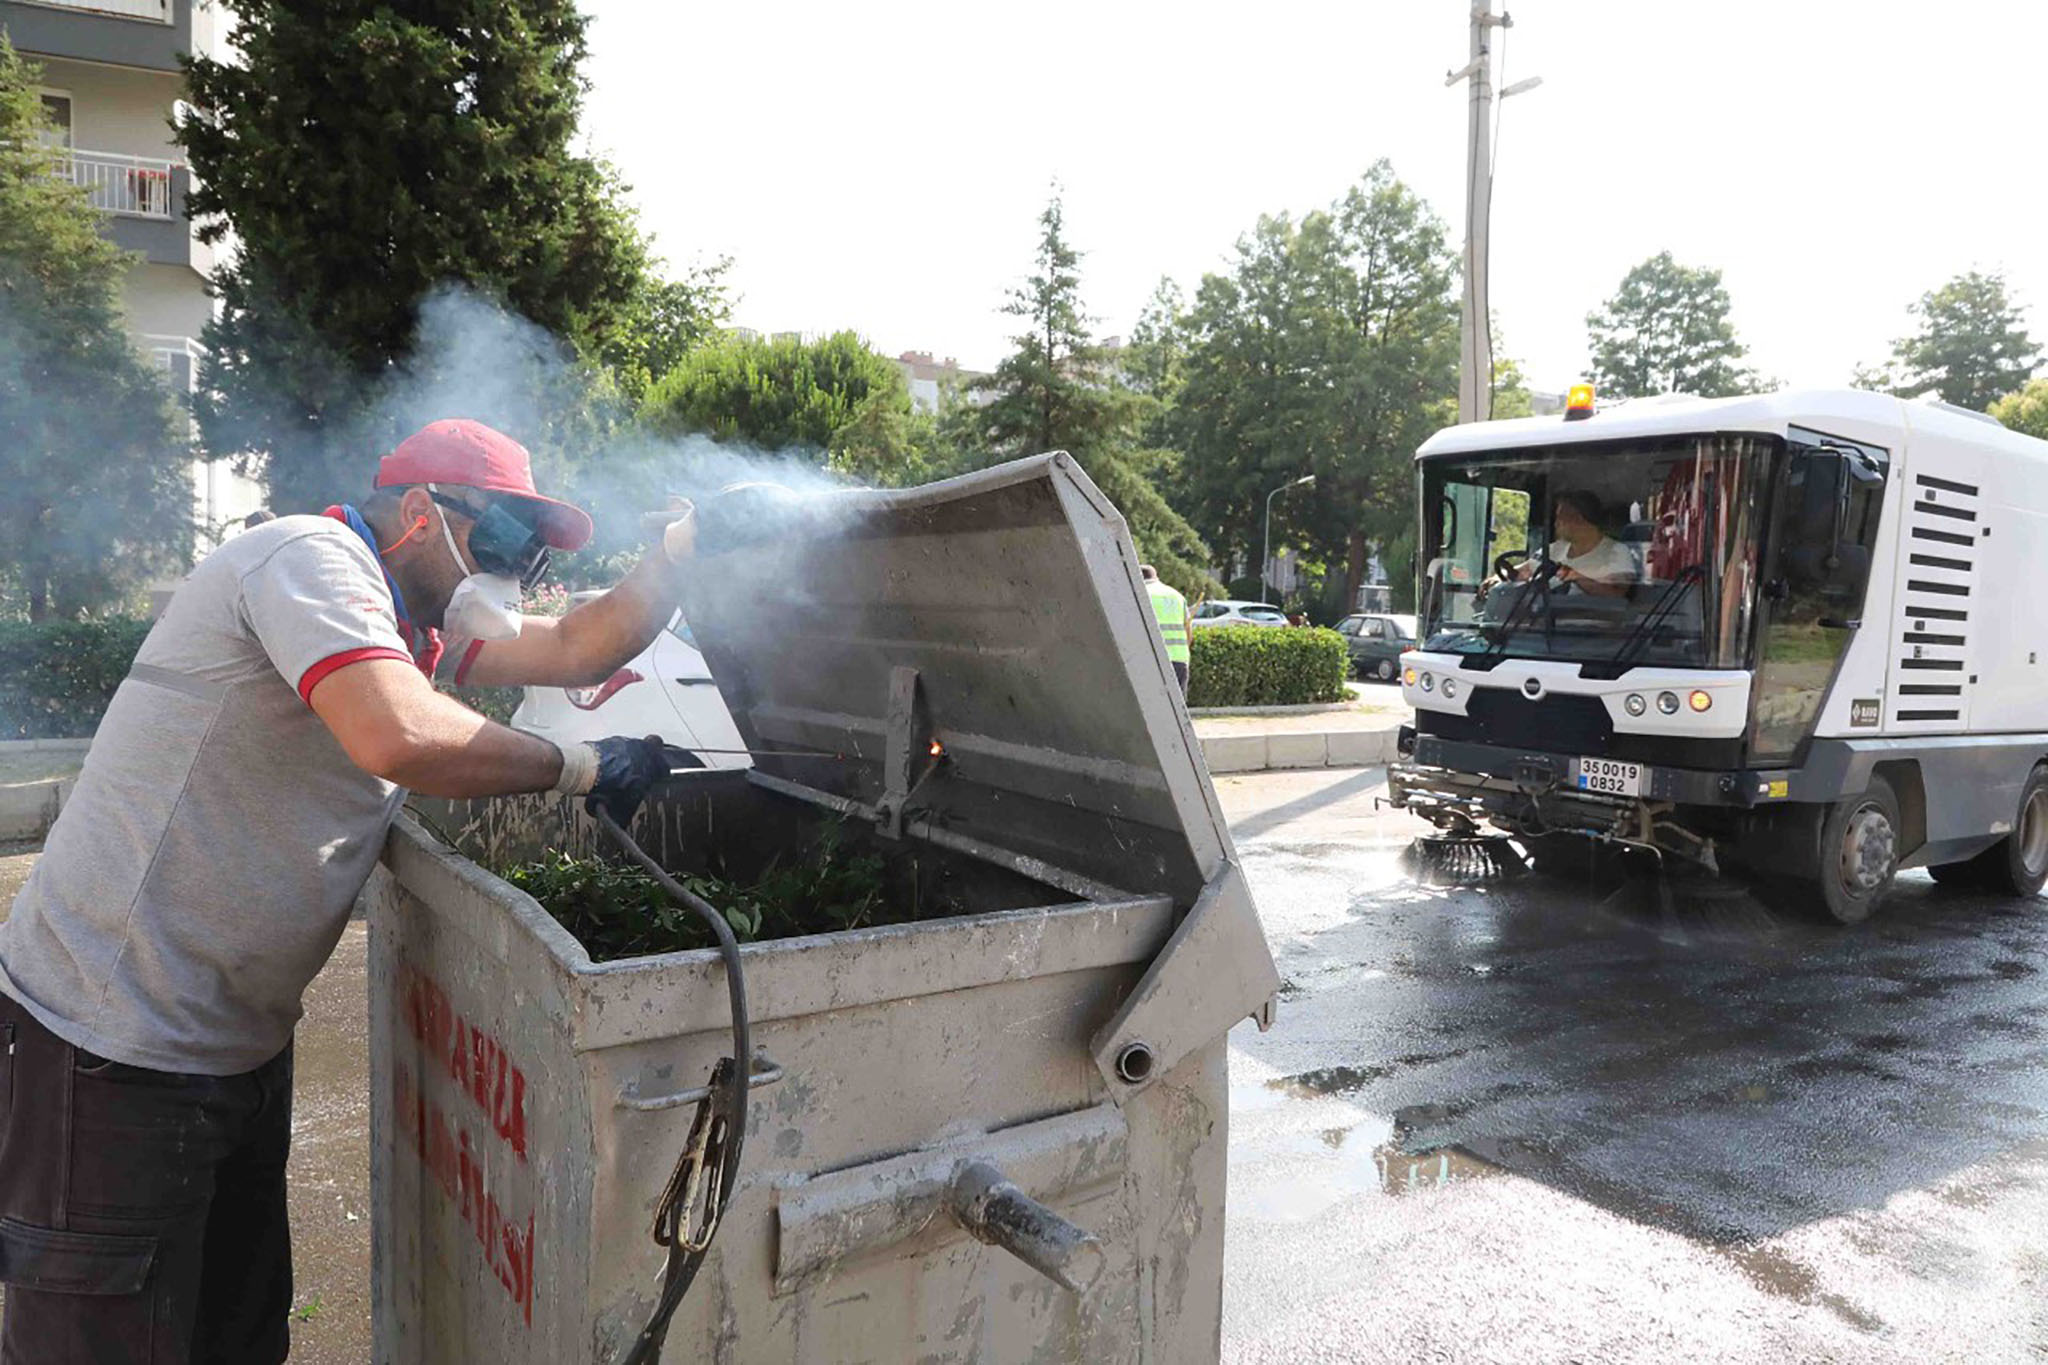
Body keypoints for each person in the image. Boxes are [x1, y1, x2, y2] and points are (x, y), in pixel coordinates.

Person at [0, 418, 695, 1364]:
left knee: (235, 1339)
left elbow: (578, 642)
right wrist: (579, 765)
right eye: (498, 540)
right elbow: (397, 735)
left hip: (232, 1043)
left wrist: (675, 559)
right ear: (418, 514)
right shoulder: (307, 558)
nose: (517, 572)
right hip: (112, 1042)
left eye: (530, 553)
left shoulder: (406, 626)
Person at [1487, 490, 1637, 601]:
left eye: (1559, 518)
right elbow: (1524, 570)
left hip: (1596, 634)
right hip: (1542, 630)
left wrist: (1575, 577)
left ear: (1578, 519)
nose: (1555, 524)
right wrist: (1498, 579)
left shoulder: (1616, 552)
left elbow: (1616, 595)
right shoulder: (1555, 549)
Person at [1140, 564, 1190, 695]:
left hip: (1151, 659)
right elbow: (1188, 633)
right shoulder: (1177, 596)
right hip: (1179, 659)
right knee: (1178, 709)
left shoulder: (1140, 594)